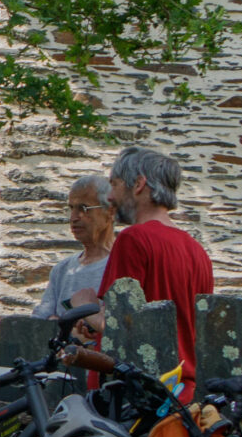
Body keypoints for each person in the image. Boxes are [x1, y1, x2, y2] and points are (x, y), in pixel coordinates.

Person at [90, 145, 214, 385]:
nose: (110, 197)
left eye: (114, 184)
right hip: (183, 390)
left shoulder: (133, 239)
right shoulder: (198, 252)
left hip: (139, 392)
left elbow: (120, 322)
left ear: (138, 184)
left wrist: (86, 310)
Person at [31, 175, 117, 320]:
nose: (74, 218)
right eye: (71, 208)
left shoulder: (121, 265)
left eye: (84, 208)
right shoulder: (62, 270)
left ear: (110, 211)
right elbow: (40, 320)